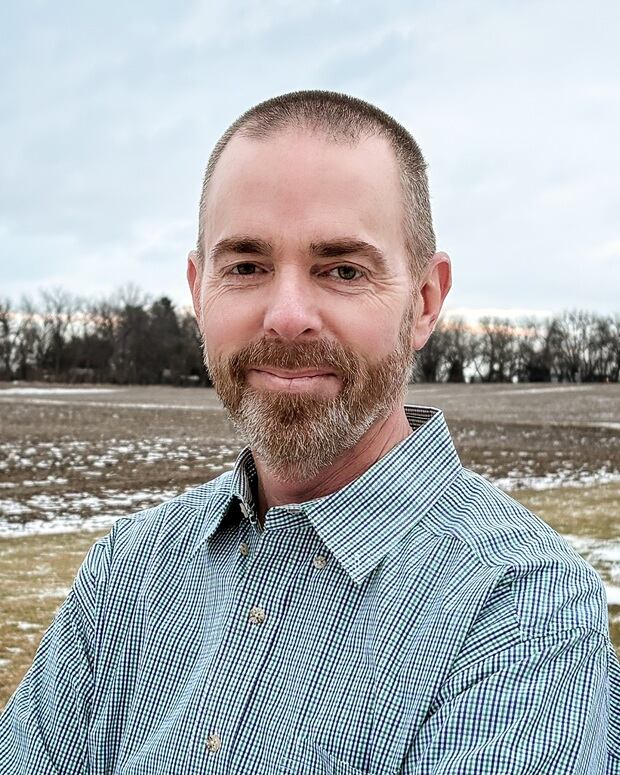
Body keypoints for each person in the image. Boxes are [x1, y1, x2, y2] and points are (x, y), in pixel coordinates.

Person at [1, 90, 618, 774]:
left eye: (342, 269)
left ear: (424, 301)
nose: (287, 315)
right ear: (198, 288)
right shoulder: (128, 570)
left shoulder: (522, 610)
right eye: (246, 266)